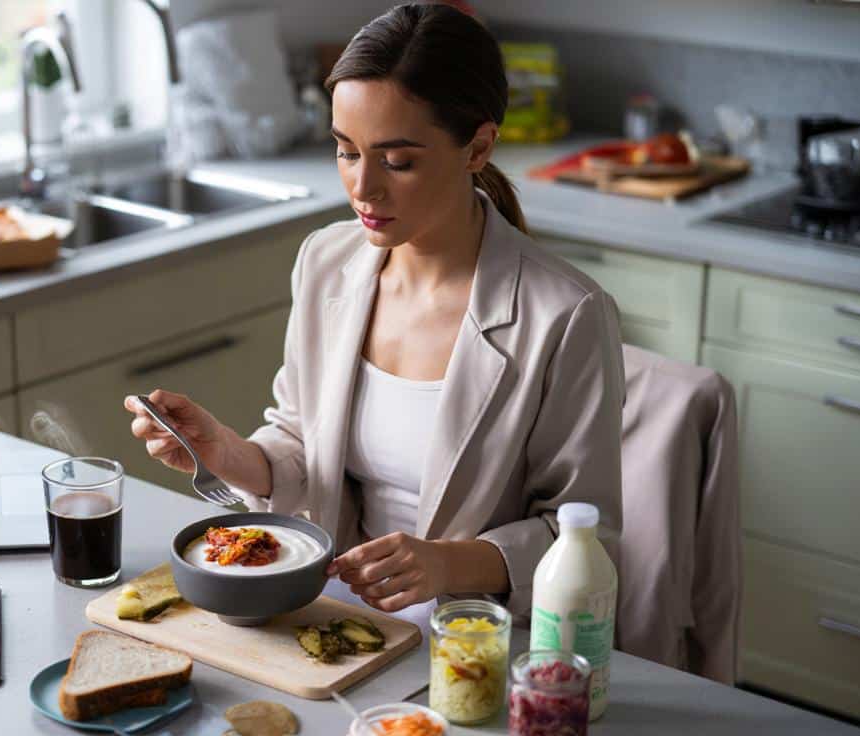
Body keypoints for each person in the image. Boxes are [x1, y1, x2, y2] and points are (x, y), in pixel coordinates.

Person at [124, 3, 623, 623]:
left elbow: (587, 538)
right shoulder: (326, 261)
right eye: (346, 151)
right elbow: (302, 442)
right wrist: (223, 450)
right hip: (337, 614)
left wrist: (446, 563)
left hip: (473, 634)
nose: (363, 188)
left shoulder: (566, 314)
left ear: (477, 147)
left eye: (397, 161)